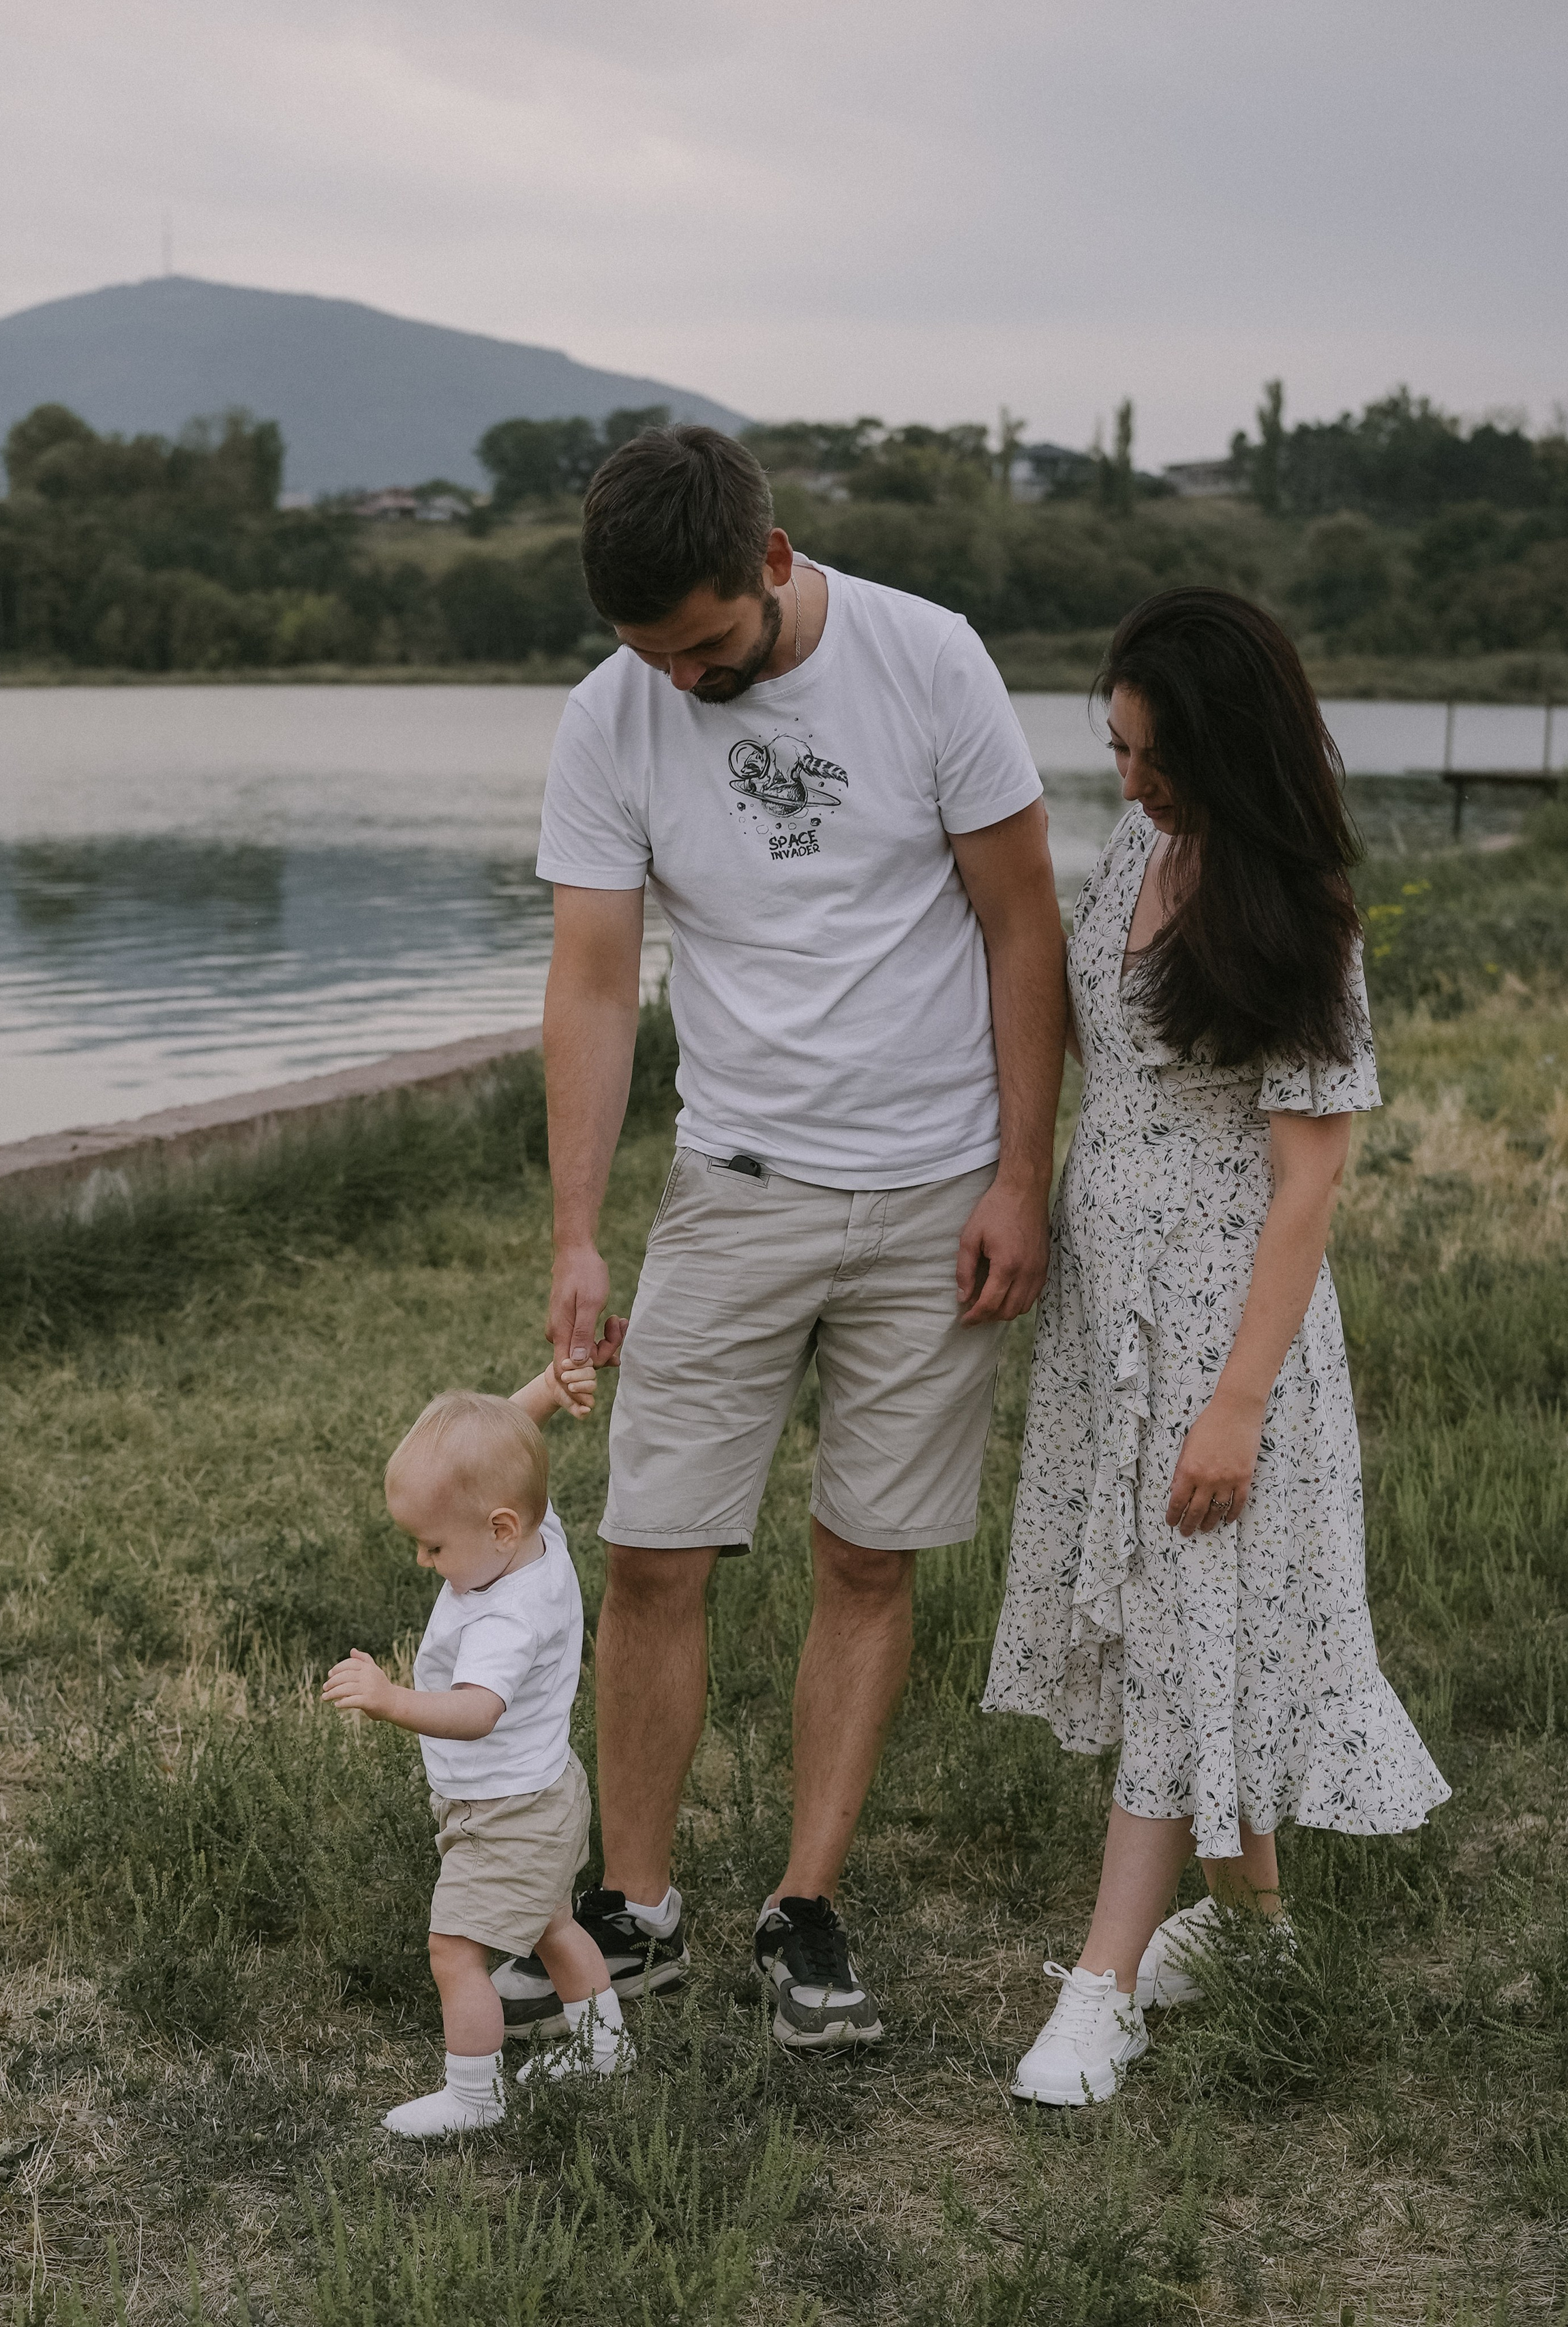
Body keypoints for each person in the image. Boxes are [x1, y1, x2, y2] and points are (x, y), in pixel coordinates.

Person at [495, 423, 1068, 2051]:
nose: (679, 683)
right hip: (733, 1186)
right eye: (646, 656)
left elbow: (1022, 922)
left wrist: (1020, 1173)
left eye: (702, 648)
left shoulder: (925, 656)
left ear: (768, 559)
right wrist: (575, 1231)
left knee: (864, 1550)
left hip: (932, 1184)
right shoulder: (611, 713)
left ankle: (803, 1903)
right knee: (655, 1546)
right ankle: (637, 1902)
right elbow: (595, 981)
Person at [984, 587, 1450, 2107]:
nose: (1126, 778)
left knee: (1191, 1607)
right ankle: (1251, 1925)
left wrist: (1237, 1399)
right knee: (1182, 1621)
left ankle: (1099, 1984)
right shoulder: (1132, 846)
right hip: (1105, 1293)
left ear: (1225, 746)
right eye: (1113, 747)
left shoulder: (1297, 904)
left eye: (1151, 753)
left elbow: (1309, 1173)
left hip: (1220, 1317)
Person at [321, 1345, 627, 2137]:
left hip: (505, 1813)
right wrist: (550, 1390)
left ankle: (473, 2096)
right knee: (553, 1924)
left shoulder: (504, 1616)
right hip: (543, 1791)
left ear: (497, 1528)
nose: (424, 1561)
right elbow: (503, 1439)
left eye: (432, 1546)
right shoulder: (531, 1529)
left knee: (454, 1950)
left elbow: (476, 1710)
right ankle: (603, 2049)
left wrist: (391, 1700)